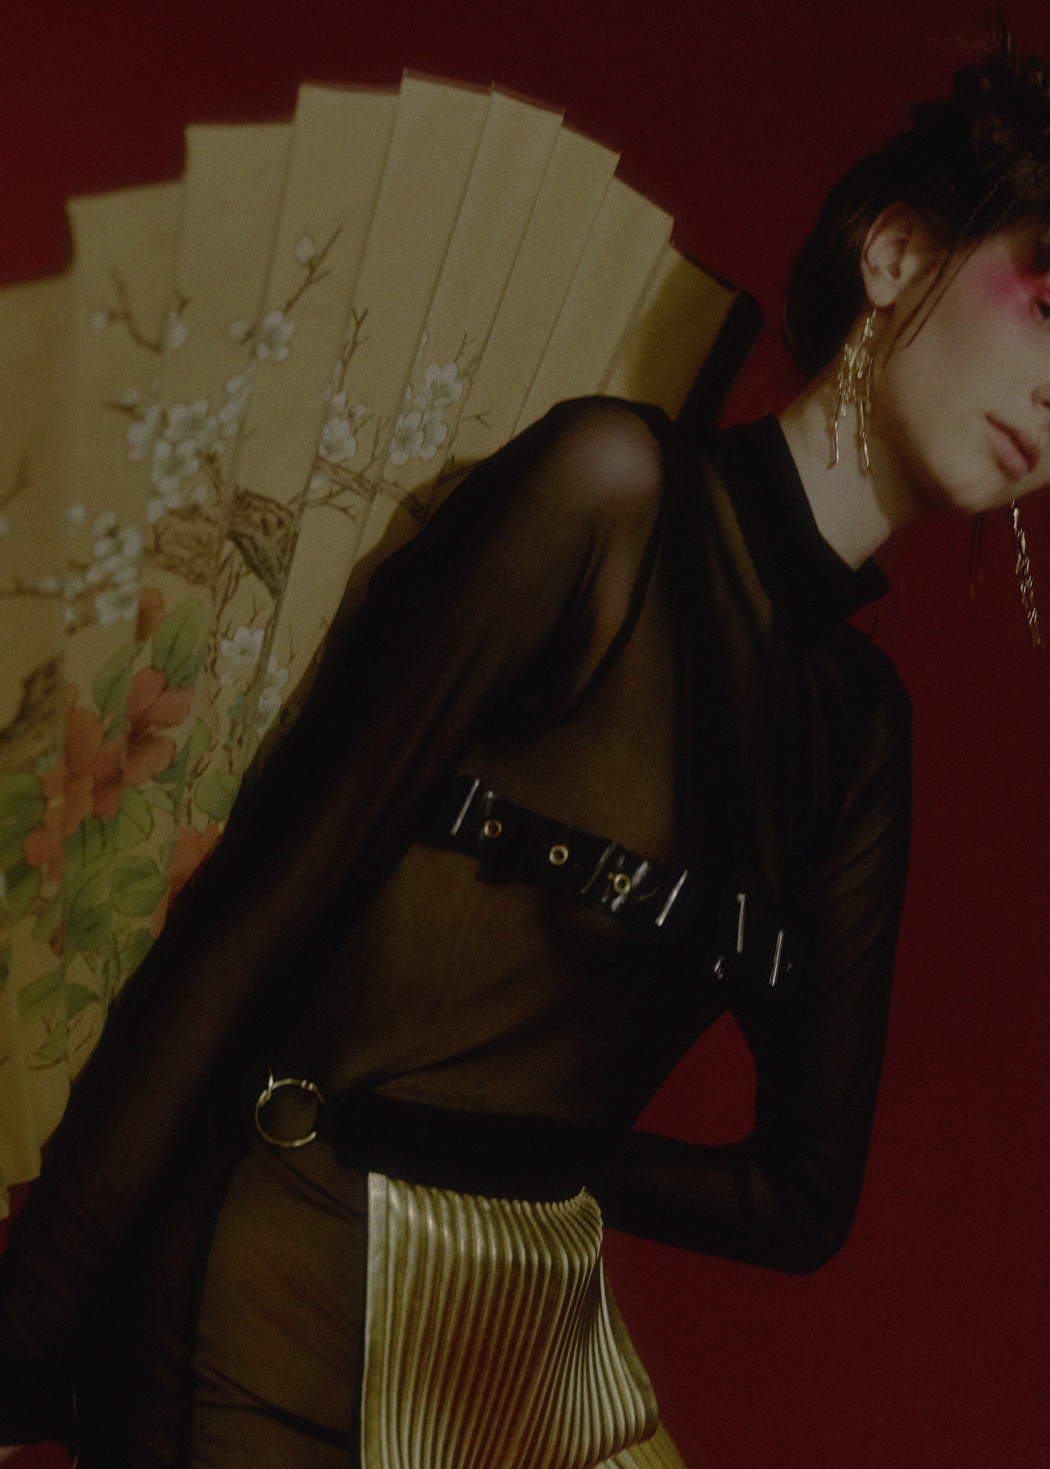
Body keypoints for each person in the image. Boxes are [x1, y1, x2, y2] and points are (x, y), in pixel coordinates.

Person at [1, 24, 1048, 1469]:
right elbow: (259, 914)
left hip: (508, 1333)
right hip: (262, 1293)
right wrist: (27, 1323)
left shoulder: (856, 734)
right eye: (1048, 305)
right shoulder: (604, 499)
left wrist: (527, 1161)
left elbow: (802, 1197)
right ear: (895, 253)